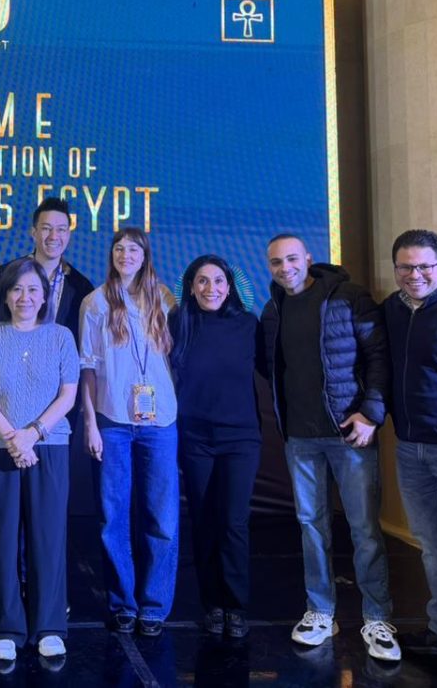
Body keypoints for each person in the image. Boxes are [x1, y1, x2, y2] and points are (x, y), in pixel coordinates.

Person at [261, 233, 399, 661]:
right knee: (311, 526)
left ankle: (378, 618)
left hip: (349, 436)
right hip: (300, 439)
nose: (285, 268)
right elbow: (269, 366)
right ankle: (320, 611)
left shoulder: (349, 297)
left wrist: (371, 413)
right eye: (276, 262)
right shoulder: (272, 309)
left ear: (308, 259)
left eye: (291, 259)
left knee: (364, 530)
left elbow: (379, 357)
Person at [0, 258, 78, 664]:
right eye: (17, 289)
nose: (25, 297)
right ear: (5, 296)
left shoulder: (62, 336)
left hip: (49, 446)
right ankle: (4, 627)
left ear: (45, 297)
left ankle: (49, 625)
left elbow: (68, 394)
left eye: (33, 290)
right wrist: (13, 438)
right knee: (0, 534)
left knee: (48, 536)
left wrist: (33, 433)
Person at [79, 226, 178, 637]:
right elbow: (87, 367)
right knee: (112, 516)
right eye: (119, 249)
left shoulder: (165, 298)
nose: (125, 255)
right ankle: (123, 603)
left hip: (160, 421)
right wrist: (90, 423)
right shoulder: (95, 302)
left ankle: (154, 605)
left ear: (145, 255)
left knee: (162, 517)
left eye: (133, 249)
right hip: (112, 420)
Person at [168, 254, 262, 639]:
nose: (212, 288)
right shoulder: (178, 323)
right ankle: (213, 605)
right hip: (195, 439)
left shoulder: (248, 325)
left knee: (233, 521)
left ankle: (235, 606)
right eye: (203, 281)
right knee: (204, 521)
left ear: (229, 286)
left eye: (219, 281)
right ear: (191, 288)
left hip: (240, 439)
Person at [382, 228, 437, 657]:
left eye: (424, 266)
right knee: (434, 546)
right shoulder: (392, 309)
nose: (415, 275)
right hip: (410, 447)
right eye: (405, 267)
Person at [0, 197, 93, 344]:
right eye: (46, 228)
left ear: (68, 235)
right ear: (34, 232)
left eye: (61, 230)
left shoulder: (81, 288)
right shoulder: (3, 276)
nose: (53, 236)